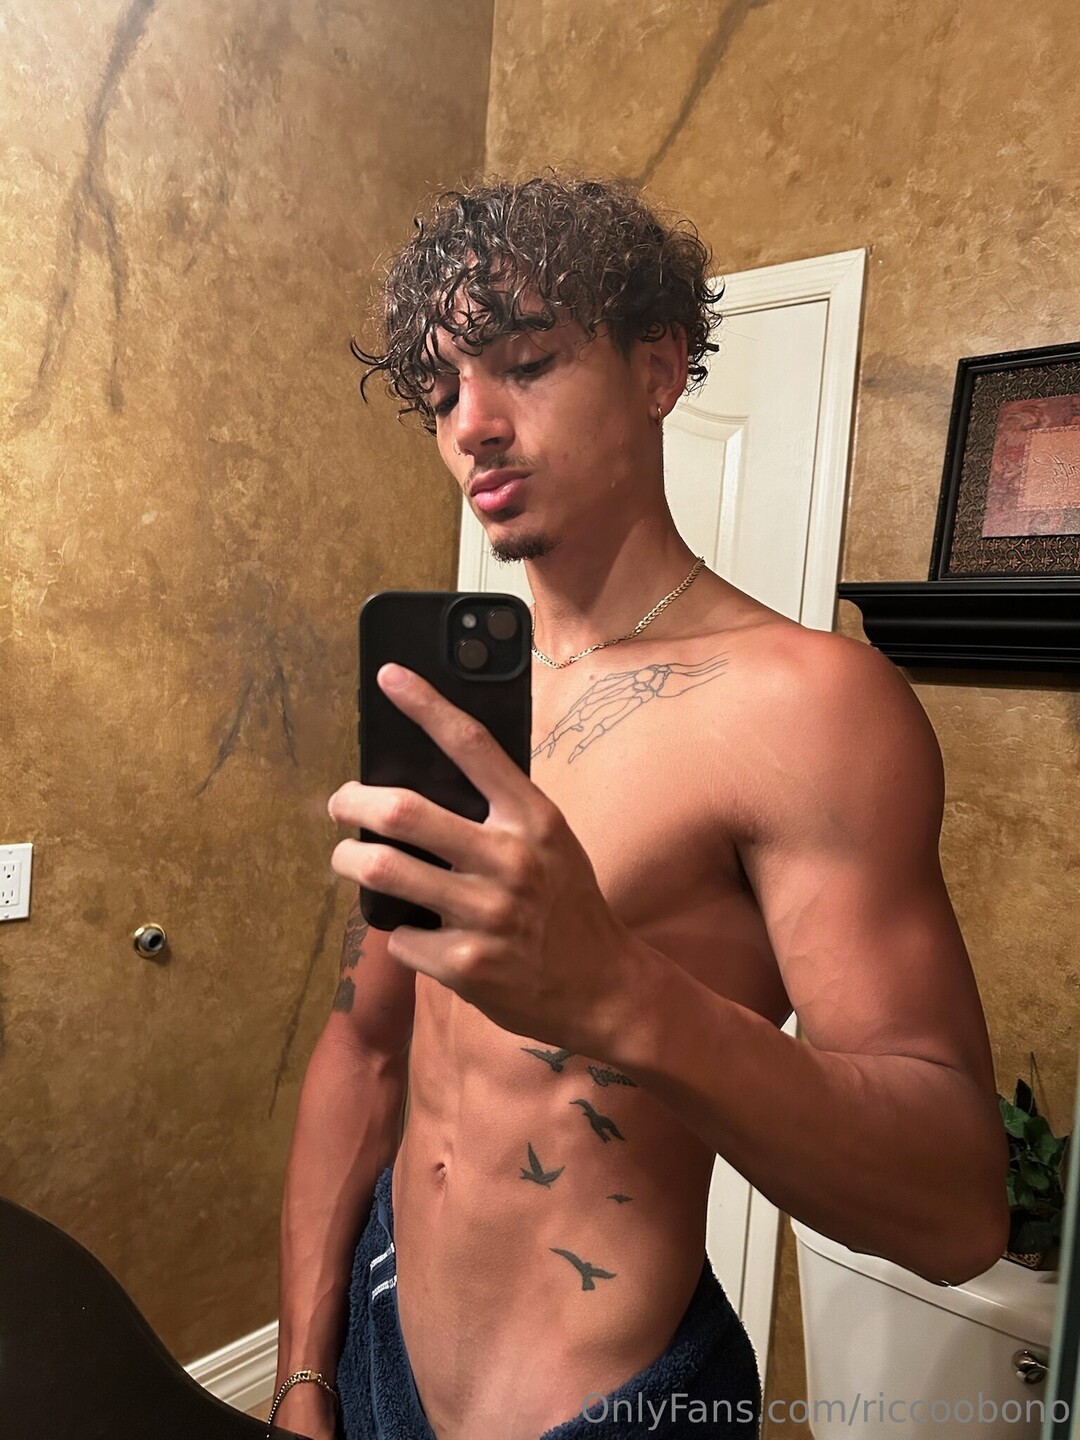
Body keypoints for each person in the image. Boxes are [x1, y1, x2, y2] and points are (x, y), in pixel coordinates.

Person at [272, 176, 1009, 1440]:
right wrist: (304, 1371)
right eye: (443, 393)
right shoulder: (455, 707)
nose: (474, 426)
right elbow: (365, 1046)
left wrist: (615, 988)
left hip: (605, 1407)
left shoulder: (810, 707)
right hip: (382, 1343)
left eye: (528, 363)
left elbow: (957, 1209)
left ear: (660, 368)